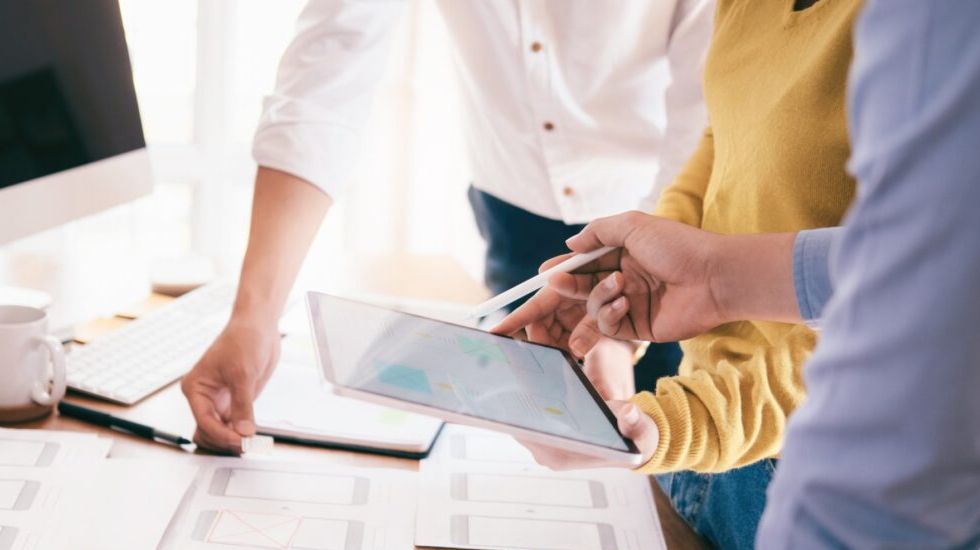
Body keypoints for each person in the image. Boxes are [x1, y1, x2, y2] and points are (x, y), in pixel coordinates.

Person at [492, 0, 980, 550]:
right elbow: (726, 133)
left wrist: (680, 423)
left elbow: (921, 317)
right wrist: (632, 276)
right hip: (711, 468)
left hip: (827, 480)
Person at [180, 0, 713, 453]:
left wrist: (619, 318)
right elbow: (323, 85)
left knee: (669, 459)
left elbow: (706, 118)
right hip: (517, 233)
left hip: (676, 231)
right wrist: (254, 316)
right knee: (530, 467)